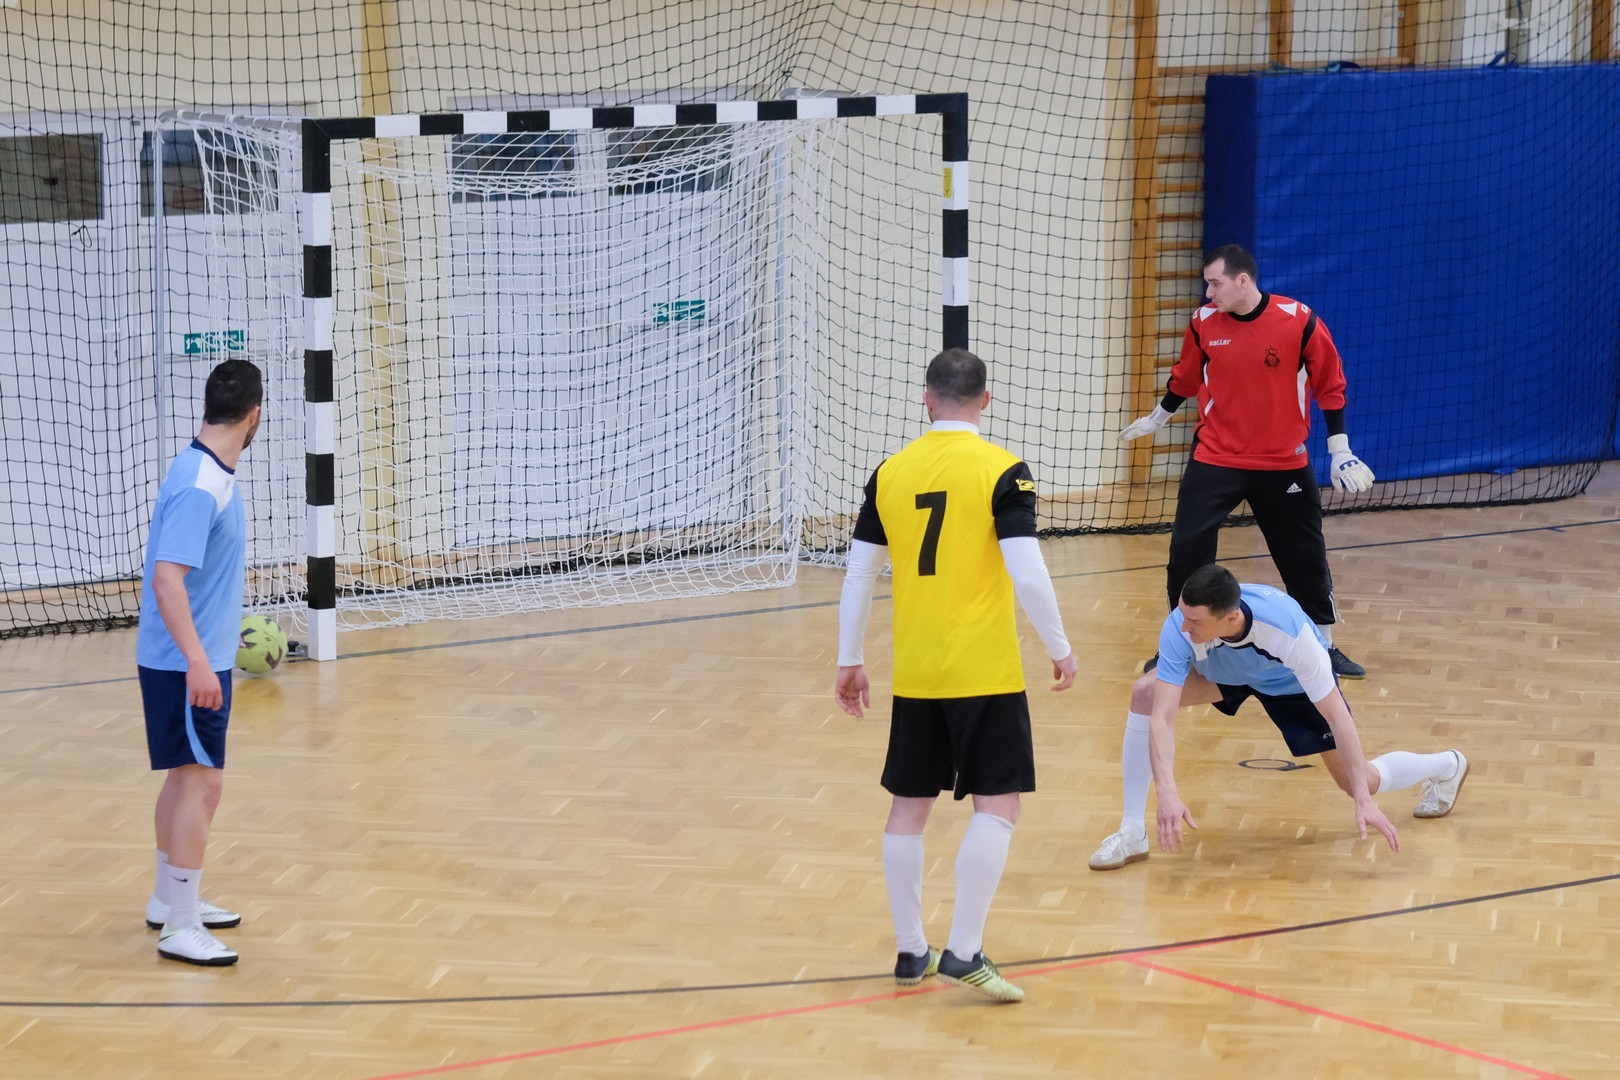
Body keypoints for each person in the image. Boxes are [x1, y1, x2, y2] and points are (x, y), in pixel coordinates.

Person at [835, 347, 1079, 1003]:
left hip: (915, 671)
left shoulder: (889, 473)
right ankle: (965, 951)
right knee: (998, 803)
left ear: (926, 397)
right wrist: (1060, 646)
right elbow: (1028, 571)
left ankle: (911, 948)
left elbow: (859, 574)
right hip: (984, 670)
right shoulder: (1004, 471)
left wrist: (849, 658)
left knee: (909, 804)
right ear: (986, 400)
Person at [1087, 564, 1468, 871]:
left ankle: (1447, 766)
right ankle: (1132, 831)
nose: (1184, 627)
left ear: (1231, 617)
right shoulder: (1181, 624)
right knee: (1145, 693)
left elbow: (1338, 718)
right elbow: (1162, 716)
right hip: (1227, 675)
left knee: (1358, 782)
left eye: (1195, 622)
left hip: (1290, 685)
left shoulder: (1288, 633)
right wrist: (1167, 793)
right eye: (1184, 617)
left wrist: (1365, 801)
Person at [1120, 244, 1375, 679]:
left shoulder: (1299, 320)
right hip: (1216, 457)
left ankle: (1323, 646)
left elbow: (1329, 384)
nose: (1209, 292)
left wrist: (1340, 450)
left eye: (1215, 283)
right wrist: (1157, 417)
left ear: (1243, 280)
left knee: (1303, 554)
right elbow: (1185, 377)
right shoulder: (1203, 323)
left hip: (1283, 462)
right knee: (1186, 551)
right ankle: (1183, 647)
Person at [135, 357, 263, 966]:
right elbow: (167, 580)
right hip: (185, 664)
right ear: (255, 415)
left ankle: (169, 899)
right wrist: (197, 662)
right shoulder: (200, 484)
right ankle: (181, 926)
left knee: (185, 776)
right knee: (203, 783)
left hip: (188, 657)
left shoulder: (204, 469)